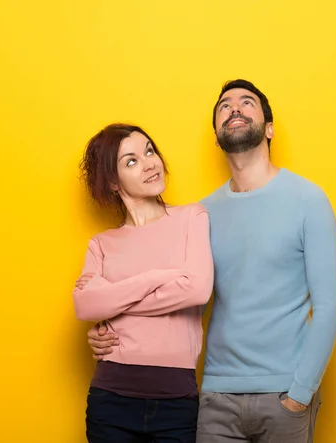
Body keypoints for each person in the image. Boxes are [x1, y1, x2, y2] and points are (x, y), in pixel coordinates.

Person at [87, 80, 336, 443]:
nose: (234, 108)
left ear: (269, 128)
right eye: (225, 105)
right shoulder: (202, 213)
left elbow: (330, 307)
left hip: (285, 394)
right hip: (214, 398)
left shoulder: (308, 200)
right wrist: (110, 328)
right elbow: (186, 299)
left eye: (247, 102)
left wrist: (300, 395)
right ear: (217, 136)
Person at [73, 123, 214, 442]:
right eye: (131, 160)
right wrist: (157, 278)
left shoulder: (191, 217)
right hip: (110, 399)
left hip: (176, 402)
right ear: (112, 181)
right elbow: (85, 306)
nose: (150, 162)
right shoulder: (101, 244)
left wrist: (114, 302)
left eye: (149, 151)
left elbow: (198, 288)